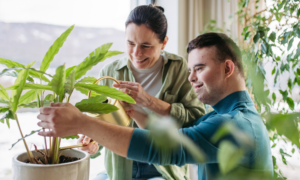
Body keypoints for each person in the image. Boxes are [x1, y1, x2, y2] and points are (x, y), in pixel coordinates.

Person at [37, 32, 273, 180]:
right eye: (190, 70)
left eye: (199, 69)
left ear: (228, 69)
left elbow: (165, 149)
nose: (191, 78)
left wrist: (82, 122)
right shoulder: (225, 116)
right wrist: (134, 112)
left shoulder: (234, 124)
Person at [77, 4, 205, 180]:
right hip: (119, 168)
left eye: (146, 46)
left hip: (162, 168)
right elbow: (100, 126)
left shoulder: (179, 69)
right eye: (130, 43)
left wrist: (149, 101)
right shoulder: (110, 72)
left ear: (164, 43)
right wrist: (93, 144)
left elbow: (197, 120)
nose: (136, 53)